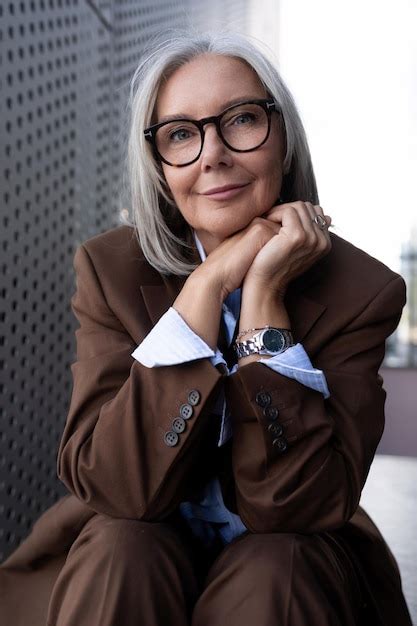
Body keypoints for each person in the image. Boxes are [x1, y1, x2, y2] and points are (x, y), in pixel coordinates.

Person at [0, 30, 412, 626]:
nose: (212, 153)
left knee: (276, 565)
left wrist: (264, 299)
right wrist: (204, 288)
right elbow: (117, 487)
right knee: (123, 548)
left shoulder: (362, 290)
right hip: (136, 546)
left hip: (290, 551)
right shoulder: (109, 269)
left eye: (241, 119)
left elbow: (295, 505)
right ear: (159, 164)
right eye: (180, 134)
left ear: (284, 139)